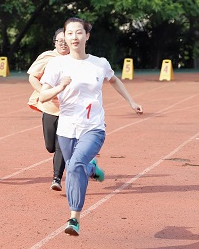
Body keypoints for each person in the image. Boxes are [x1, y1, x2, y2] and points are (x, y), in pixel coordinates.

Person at [39, 17, 143, 236]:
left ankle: (74, 218)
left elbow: (114, 80)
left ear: (87, 36)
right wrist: (60, 87)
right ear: (64, 37)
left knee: (75, 165)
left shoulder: (99, 63)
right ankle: (92, 169)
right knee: (76, 168)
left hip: (93, 127)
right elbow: (43, 96)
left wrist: (131, 101)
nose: (74, 37)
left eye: (79, 32)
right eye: (69, 33)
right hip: (67, 128)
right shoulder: (57, 64)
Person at [27, 28, 70, 191]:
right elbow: (32, 76)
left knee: (61, 144)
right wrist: (44, 93)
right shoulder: (48, 57)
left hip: (68, 109)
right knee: (50, 146)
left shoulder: (76, 59)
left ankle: (56, 178)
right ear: (55, 42)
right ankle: (86, 163)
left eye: (66, 41)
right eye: (60, 41)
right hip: (50, 107)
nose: (63, 44)